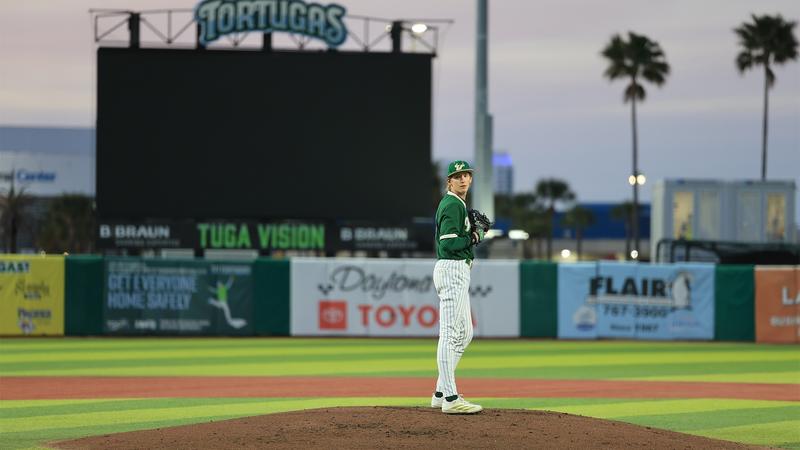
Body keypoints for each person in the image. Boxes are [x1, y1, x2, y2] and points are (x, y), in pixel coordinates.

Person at [430, 160, 484, 414]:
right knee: (451, 334)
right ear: (449, 182)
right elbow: (449, 243)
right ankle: (451, 399)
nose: (463, 179)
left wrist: (470, 236)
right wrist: (473, 237)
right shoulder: (452, 203)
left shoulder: (457, 204)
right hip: (452, 268)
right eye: (457, 176)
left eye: (466, 175)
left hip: (457, 269)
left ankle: (441, 392)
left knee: (465, 334)